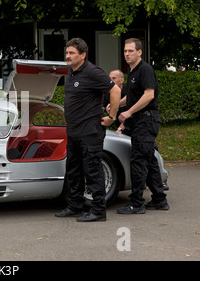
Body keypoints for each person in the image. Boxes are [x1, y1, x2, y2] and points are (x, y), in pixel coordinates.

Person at [56, 38, 121, 222]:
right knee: (73, 171)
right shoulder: (71, 72)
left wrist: (112, 117)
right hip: (74, 131)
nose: (67, 56)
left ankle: (99, 210)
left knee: (92, 171)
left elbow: (115, 90)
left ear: (82, 55)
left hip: (90, 131)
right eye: (67, 52)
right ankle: (75, 205)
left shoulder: (92, 72)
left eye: (71, 53)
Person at [116, 38, 169, 214]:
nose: (127, 54)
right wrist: (116, 105)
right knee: (150, 161)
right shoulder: (132, 72)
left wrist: (128, 112)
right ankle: (160, 200)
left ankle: (136, 203)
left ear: (139, 52)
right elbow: (132, 97)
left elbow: (148, 95)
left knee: (138, 161)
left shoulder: (145, 69)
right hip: (140, 122)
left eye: (131, 51)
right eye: (125, 51)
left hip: (146, 121)